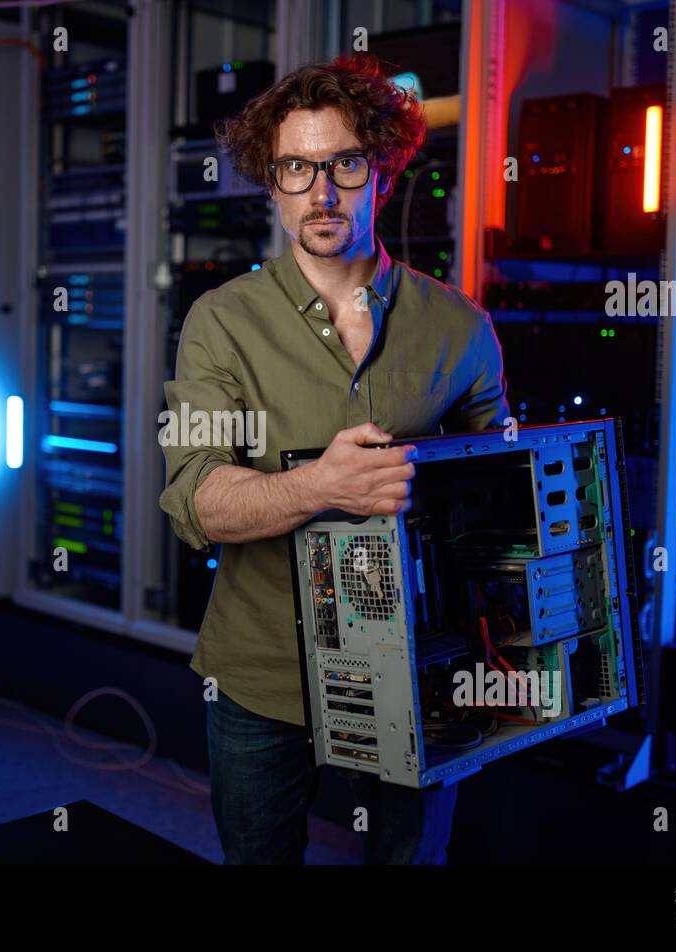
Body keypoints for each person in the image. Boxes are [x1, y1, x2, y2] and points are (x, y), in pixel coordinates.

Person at [159, 55, 510, 864]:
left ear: (382, 170)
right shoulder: (221, 322)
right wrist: (322, 483)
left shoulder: (460, 328)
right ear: (271, 182)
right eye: (296, 168)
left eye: (344, 164)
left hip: (419, 670)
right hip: (263, 672)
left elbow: (506, 494)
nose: (322, 193)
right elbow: (196, 501)